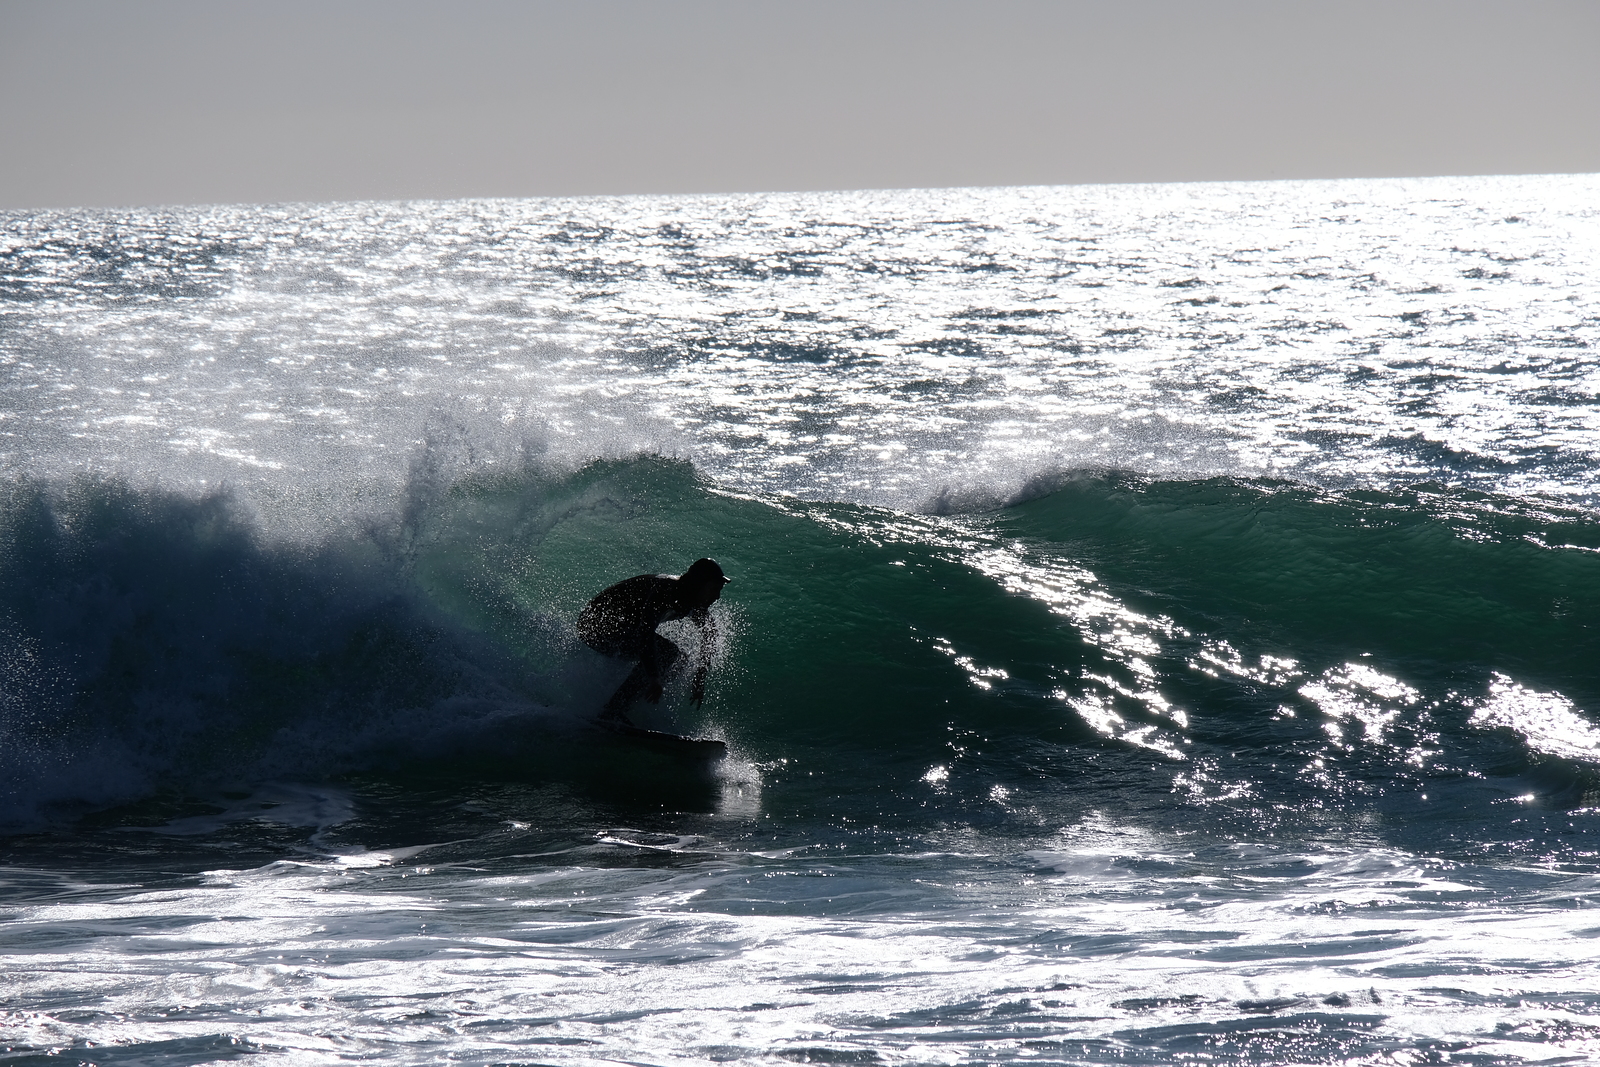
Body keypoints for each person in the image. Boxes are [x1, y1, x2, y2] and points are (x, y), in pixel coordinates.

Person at [576, 558, 730, 723]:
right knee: (667, 652)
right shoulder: (665, 592)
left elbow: (709, 633)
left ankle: (625, 705)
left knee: (680, 661)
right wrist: (654, 677)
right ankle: (613, 710)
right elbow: (645, 634)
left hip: (618, 629)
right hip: (594, 626)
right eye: (714, 589)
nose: (717, 596)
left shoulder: (694, 599)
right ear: (698, 584)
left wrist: (700, 674)